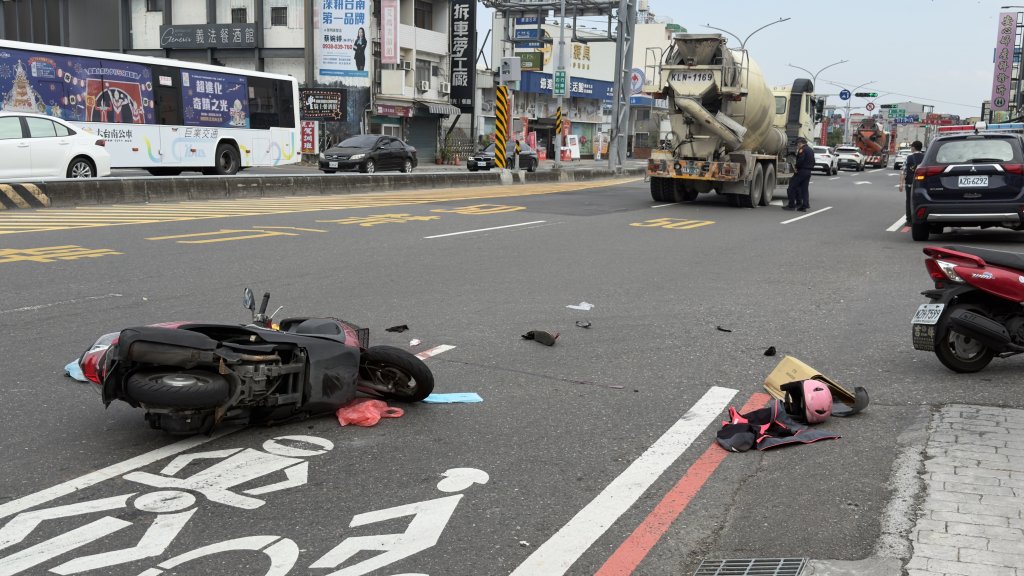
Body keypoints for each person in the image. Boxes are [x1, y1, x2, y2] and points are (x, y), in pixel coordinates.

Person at [784, 137, 815, 211]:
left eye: (797, 144)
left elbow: (800, 160)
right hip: (808, 172)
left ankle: (791, 205)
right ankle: (804, 206)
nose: (797, 146)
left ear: (800, 143)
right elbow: (813, 161)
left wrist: (796, 167)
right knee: (804, 189)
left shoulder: (802, 150)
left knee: (791, 187)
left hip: (801, 171)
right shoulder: (810, 150)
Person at [902, 140, 925, 222]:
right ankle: (921, 217)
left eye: (911, 146)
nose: (911, 148)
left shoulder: (909, 157)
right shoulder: (925, 157)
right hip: (922, 183)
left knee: (909, 200)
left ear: (914, 148)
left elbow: (904, 171)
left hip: (910, 182)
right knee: (922, 200)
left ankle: (909, 219)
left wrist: (901, 183)